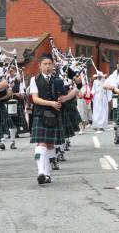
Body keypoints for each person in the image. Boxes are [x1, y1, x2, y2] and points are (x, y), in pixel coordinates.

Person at [29, 53, 75, 185]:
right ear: (40, 66)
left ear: (53, 65)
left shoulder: (59, 79)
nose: (48, 66)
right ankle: (41, 172)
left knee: (50, 145)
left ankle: (47, 174)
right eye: (45, 64)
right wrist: (51, 103)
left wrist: (65, 98)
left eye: (50, 64)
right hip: (40, 114)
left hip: (55, 115)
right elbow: (35, 99)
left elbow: (75, 91)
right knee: (41, 144)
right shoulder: (34, 80)